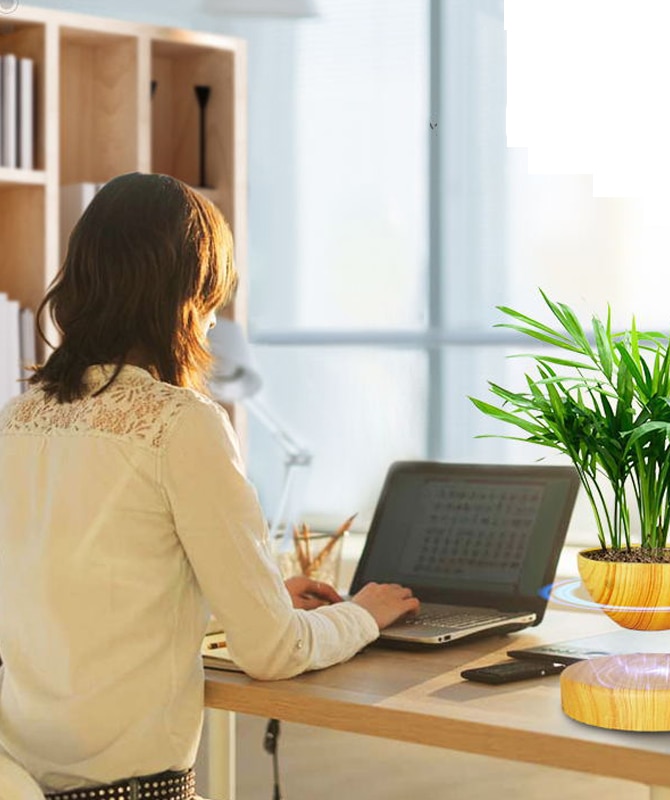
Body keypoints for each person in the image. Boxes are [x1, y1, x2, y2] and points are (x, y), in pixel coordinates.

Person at [0, 172, 419, 800]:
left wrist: (255, 594)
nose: (216, 319)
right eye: (212, 298)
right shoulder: (180, 423)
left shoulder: (18, 419)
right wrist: (363, 615)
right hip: (136, 789)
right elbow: (272, 653)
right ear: (185, 297)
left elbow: (87, 595)